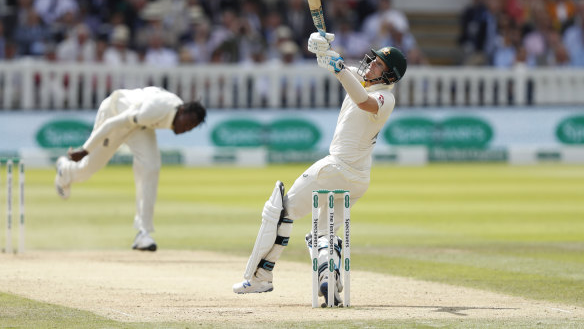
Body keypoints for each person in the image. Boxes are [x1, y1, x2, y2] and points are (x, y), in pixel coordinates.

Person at [232, 32, 407, 306]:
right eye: (372, 60)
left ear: (390, 77)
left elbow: (363, 101)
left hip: (337, 168)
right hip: (357, 179)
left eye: (378, 65)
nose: (371, 65)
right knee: (321, 234)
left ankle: (259, 277)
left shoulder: (385, 98)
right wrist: (321, 47)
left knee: (279, 210)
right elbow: (332, 64)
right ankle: (329, 280)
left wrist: (338, 69)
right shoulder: (361, 81)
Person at [54, 87, 207, 251]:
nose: (186, 129)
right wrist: (86, 149)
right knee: (89, 167)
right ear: (182, 110)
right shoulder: (155, 110)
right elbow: (112, 123)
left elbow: (152, 92)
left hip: (139, 126)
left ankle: (143, 233)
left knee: (151, 166)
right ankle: (66, 170)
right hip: (114, 114)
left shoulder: (174, 108)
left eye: (191, 128)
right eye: (188, 124)